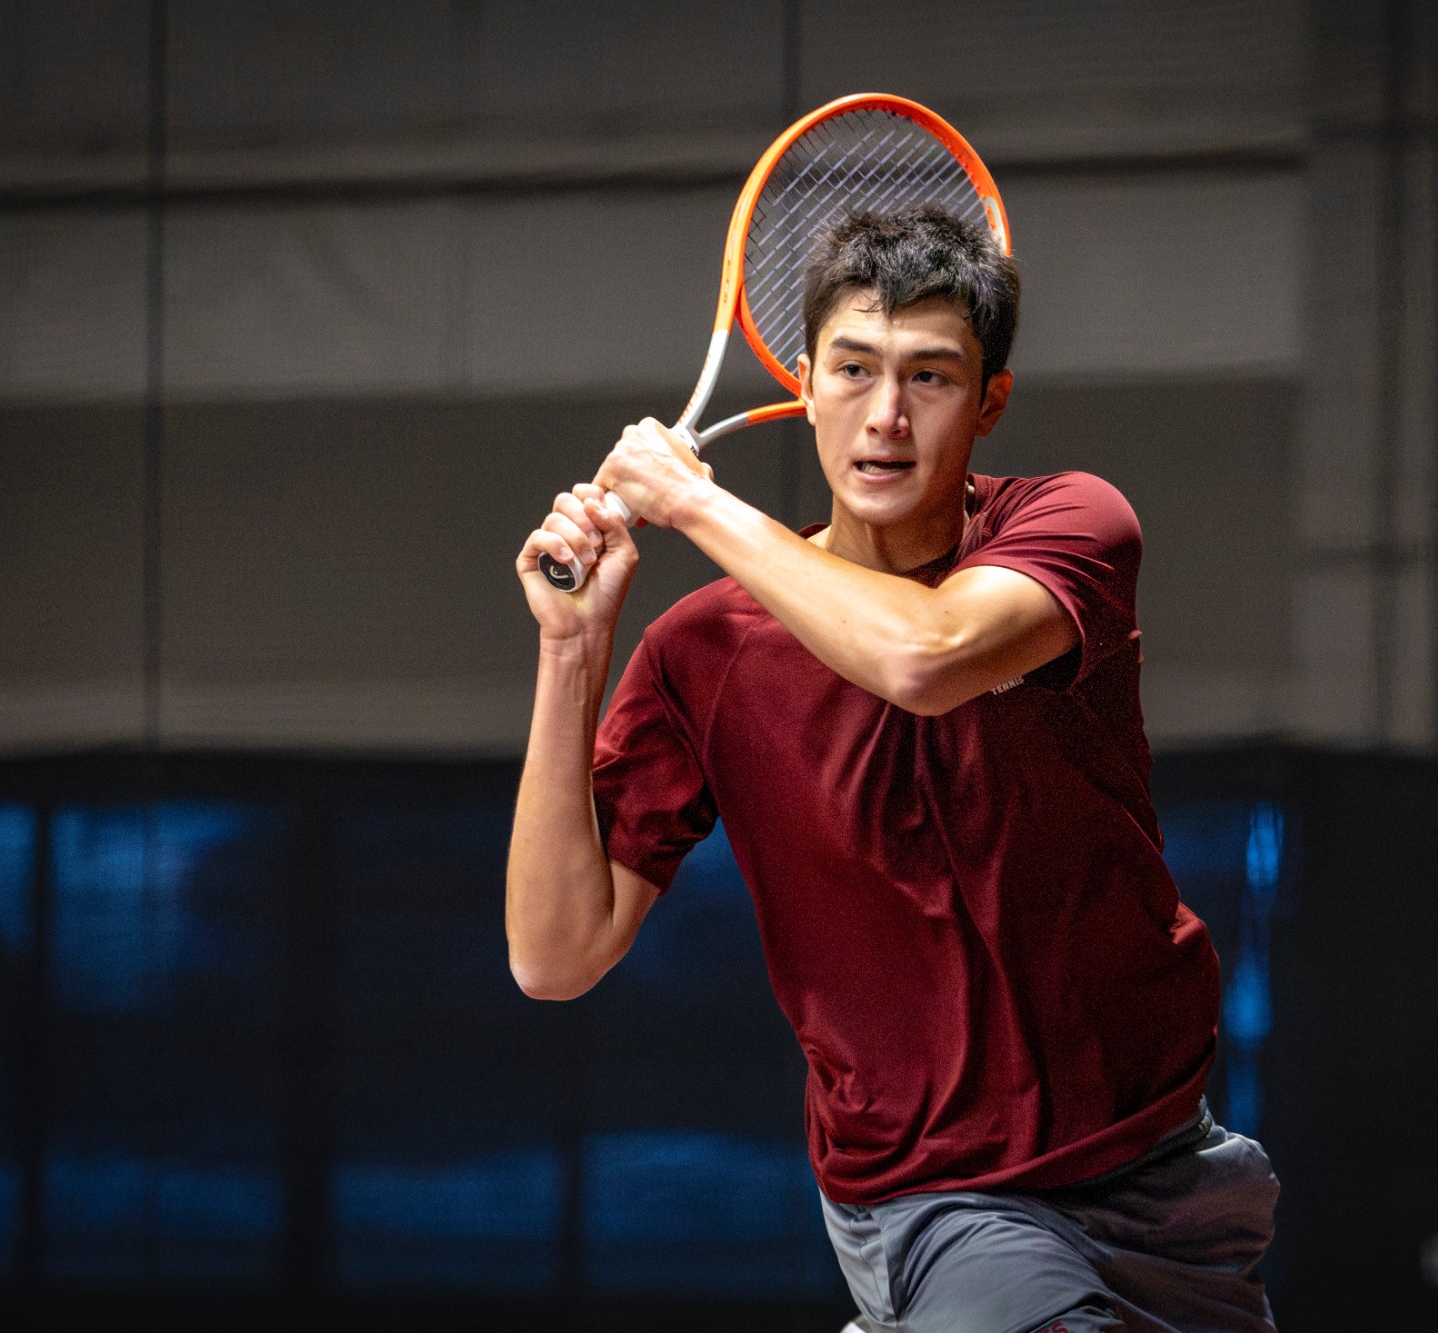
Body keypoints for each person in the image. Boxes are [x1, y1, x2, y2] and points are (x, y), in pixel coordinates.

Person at [507, 206, 1278, 1333]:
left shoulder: (1072, 526)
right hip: (948, 1199)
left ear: (989, 403)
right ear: (805, 382)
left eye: (930, 377)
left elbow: (923, 655)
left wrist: (691, 503)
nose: (885, 416)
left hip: (1168, 1176)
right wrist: (571, 648)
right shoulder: (705, 652)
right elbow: (554, 952)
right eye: (856, 370)